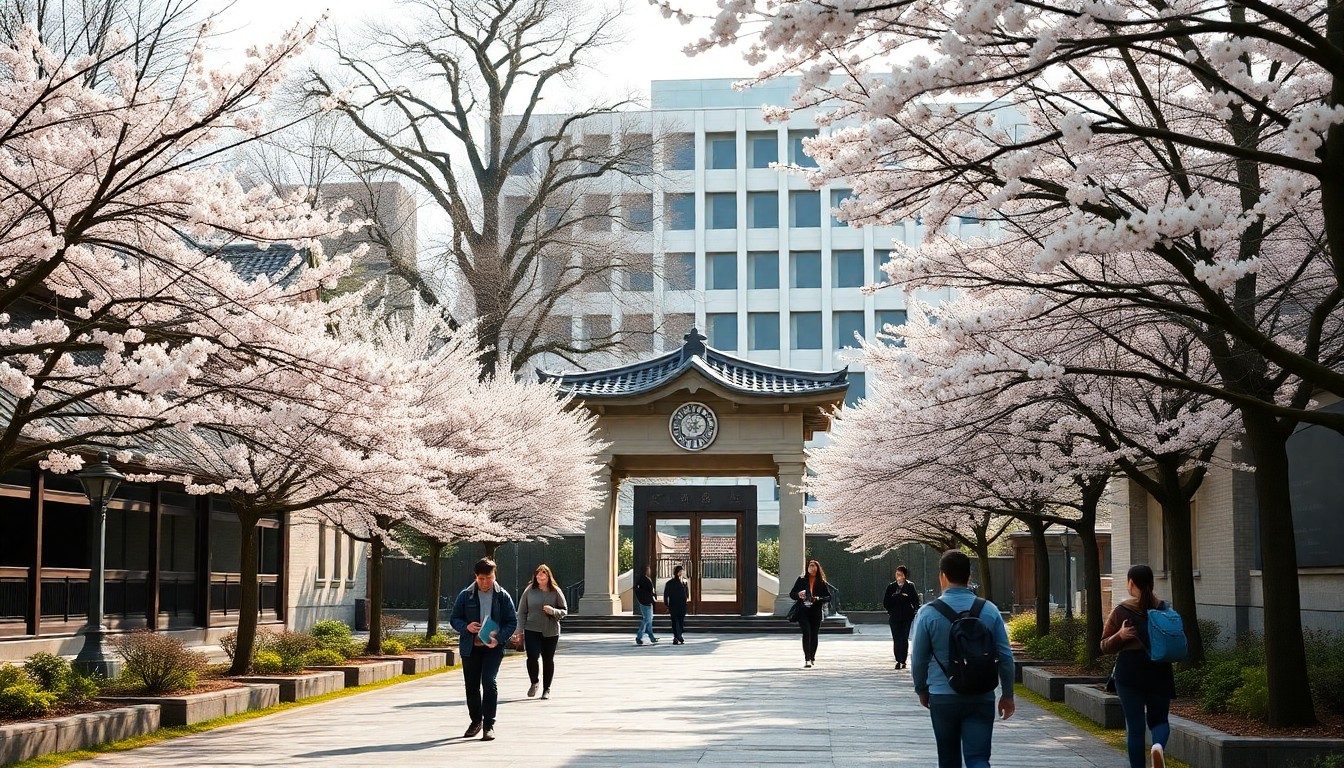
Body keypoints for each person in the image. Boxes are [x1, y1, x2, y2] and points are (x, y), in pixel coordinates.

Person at [911, 550, 1015, 768]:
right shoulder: (989, 610)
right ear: (969, 576)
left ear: (942, 576)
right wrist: (1007, 694)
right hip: (982, 695)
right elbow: (1005, 656)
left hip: (943, 695)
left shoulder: (928, 613)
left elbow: (919, 659)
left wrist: (922, 689)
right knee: (978, 759)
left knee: (948, 760)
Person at [1100, 564, 1175, 768]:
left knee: (1135, 727)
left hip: (1130, 671)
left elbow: (1104, 646)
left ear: (1131, 583)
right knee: (1160, 720)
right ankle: (1158, 746)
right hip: (1160, 669)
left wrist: (1120, 636)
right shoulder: (1165, 609)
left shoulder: (1122, 611)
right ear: (1152, 582)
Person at [449, 557, 517, 741]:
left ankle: (489, 724)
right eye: (481, 579)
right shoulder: (466, 595)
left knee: (488, 681)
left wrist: (499, 638)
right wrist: (466, 627)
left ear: (494, 575)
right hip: (471, 647)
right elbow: (454, 618)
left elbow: (512, 621)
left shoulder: (502, 596)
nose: (485, 583)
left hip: (493, 648)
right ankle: (475, 720)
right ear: (476, 577)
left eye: (489, 578)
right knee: (471, 686)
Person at [515, 564, 568, 700]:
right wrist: (519, 629)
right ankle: (534, 682)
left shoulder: (555, 591)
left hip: (551, 631)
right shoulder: (529, 591)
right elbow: (521, 612)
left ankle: (546, 689)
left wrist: (553, 611)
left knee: (548, 659)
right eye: (538, 573)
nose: (540, 575)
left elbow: (564, 610)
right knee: (532, 657)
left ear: (548, 576)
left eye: (543, 573)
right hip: (532, 629)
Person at [789, 559, 831, 668]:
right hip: (803, 610)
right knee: (806, 633)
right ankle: (807, 658)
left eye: (814, 566)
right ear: (807, 568)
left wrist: (818, 598)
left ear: (818, 568)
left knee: (814, 634)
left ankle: (812, 657)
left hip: (816, 610)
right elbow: (792, 594)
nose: (813, 568)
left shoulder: (821, 581)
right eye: (810, 566)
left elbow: (828, 597)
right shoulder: (801, 580)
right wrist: (799, 594)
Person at [884, 565, 922, 670]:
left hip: (906, 616)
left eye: (900, 574)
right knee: (896, 638)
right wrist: (895, 597)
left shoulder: (910, 586)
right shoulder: (891, 587)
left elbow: (915, 601)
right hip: (895, 616)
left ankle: (903, 660)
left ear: (905, 575)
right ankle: (898, 659)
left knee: (904, 638)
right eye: (897, 574)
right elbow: (886, 603)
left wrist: (909, 603)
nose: (898, 576)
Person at [663, 564, 690, 644]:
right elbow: (666, 594)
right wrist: (666, 603)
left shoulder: (684, 582)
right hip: (674, 604)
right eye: (681, 571)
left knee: (680, 621)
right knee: (675, 621)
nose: (682, 573)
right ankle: (677, 636)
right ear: (678, 572)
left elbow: (686, 593)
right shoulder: (670, 583)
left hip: (681, 605)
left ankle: (678, 636)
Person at [633, 565, 658, 645]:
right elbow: (638, 589)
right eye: (648, 569)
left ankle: (651, 637)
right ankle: (639, 636)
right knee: (647, 619)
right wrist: (643, 597)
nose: (649, 571)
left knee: (649, 620)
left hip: (648, 601)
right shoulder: (642, 579)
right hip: (645, 601)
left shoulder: (647, 578)